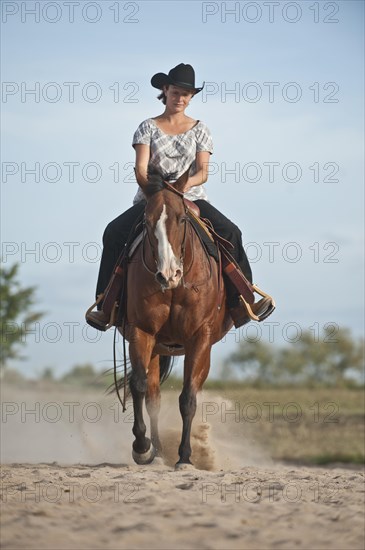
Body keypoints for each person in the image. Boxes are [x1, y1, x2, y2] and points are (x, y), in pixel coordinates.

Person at [86, 63, 272, 330]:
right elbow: (140, 168)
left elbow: (202, 172)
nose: (181, 98)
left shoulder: (201, 129)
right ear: (165, 90)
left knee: (232, 233)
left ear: (191, 97)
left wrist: (179, 189)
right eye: (176, 92)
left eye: (186, 94)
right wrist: (157, 192)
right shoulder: (146, 127)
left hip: (191, 196)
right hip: (152, 199)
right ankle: (106, 305)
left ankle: (243, 301)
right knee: (113, 232)